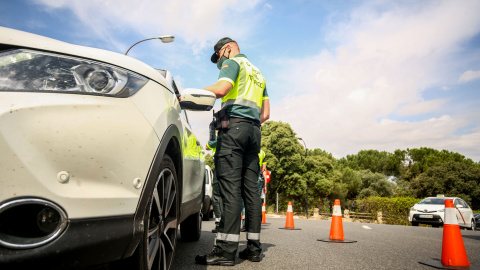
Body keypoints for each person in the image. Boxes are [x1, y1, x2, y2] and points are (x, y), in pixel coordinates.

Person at [195, 37, 270, 266]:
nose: (219, 63)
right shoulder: (258, 74)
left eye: (218, 58)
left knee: (229, 190)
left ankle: (226, 251)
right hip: (254, 134)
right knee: (251, 193)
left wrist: (192, 92)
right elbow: (265, 114)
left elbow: (221, 89)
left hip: (233, 131)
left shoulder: (232, 62)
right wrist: (248, 123)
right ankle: (254, 249)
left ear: (226, 49)